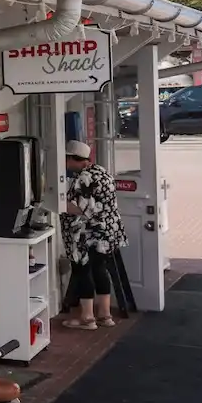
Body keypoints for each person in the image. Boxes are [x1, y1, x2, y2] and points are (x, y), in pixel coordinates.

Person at [63, 140, 125, 329]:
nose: (64, 163)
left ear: (74, 159)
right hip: (106, 230)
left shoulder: (84, 178)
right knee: (99, 269)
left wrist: (56, 205)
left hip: (87, 232)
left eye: (66, 159)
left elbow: (82, 209)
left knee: (83, 271)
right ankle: (105, 316)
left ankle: (87, 318)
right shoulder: (101, 171)